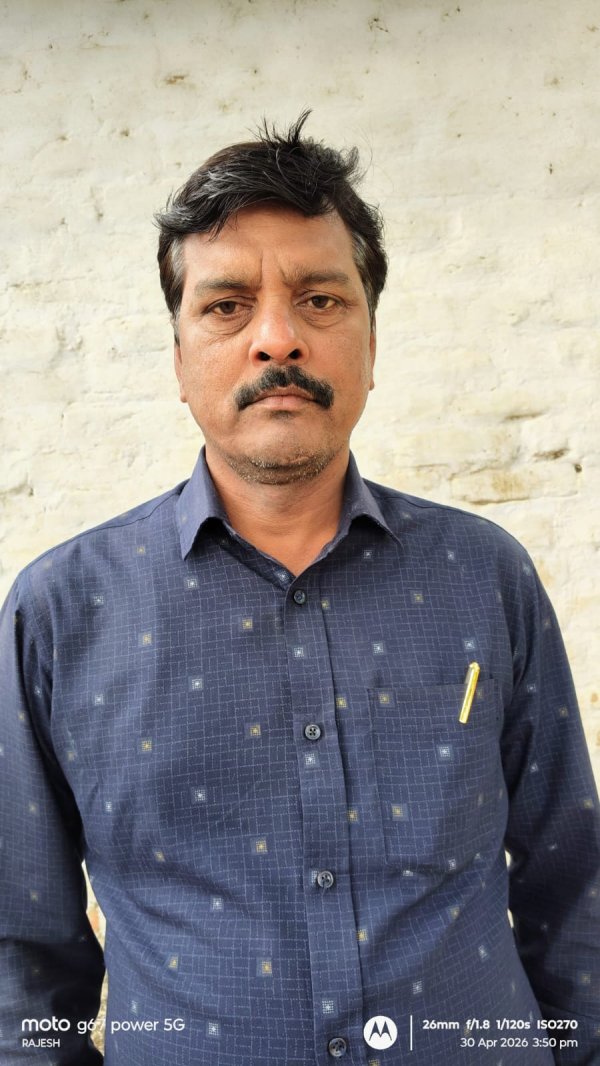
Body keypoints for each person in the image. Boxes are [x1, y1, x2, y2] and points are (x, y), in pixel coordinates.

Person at [0, 112, 598, 1066]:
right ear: (178, 358)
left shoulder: (486, 575)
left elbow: (576, 891)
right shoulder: (60, 613)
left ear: (371, 342)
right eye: (227, 306)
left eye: (320, 300)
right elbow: (22, 957)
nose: (277, 339)